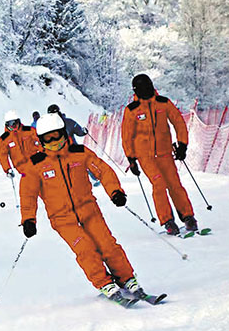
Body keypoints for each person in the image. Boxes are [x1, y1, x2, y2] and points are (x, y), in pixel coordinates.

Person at [20, 114, 149, 304]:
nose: (54, 141)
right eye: (48, 138)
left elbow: (103, 171)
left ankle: (127, 278)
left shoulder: (79, 152)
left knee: (107, 245)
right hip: (62, 218)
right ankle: (104, 282)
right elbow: (28, 194)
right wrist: (28, 220)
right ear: (41, 140)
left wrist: (115, 192)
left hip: (89, 210)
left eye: (56, 135)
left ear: (64, 133)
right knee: (86, 250)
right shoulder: (36, 164)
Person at [120, 73, 197, 235]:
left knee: (174, 184)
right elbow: (127, 136)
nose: (145, 90)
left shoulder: (163, 103)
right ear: (135, 90)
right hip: (145, 156)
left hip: (165, 153)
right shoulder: (132, 110)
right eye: (141, 88)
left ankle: (188, 216)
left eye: (147, 87)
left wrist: (182, 144)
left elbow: (178, 122)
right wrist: (131, 158)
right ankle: (167, 220)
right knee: (159, 184)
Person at [48, 104, 98, 186]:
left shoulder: (68, 122)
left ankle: (94, 178)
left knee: (83, 161)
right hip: (59, 151)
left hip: (71, 148)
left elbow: (79, 131)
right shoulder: (49, 125)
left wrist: (84, 131)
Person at [0, 110, 41, 177]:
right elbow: (2, 155)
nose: (14, 125)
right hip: (21, 168)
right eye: (11, 123)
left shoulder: (29, 131)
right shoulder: (4, 139)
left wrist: (42, 155)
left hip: (36, 163)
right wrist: (8, 169)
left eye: (15, 122)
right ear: (7, 124)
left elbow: (41, 142)